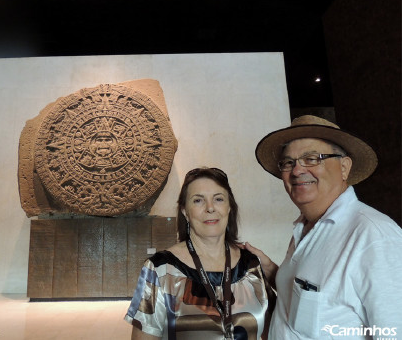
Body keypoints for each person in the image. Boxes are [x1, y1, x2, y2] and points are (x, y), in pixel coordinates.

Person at [248, 115, 402, 339]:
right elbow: (309, 300)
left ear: (344, 167)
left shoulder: (374, 236)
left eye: (312, 158)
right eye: (288, 162)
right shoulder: (305, 228)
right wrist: (272, 271)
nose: (297, 170)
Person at [125, 167, 275, 339]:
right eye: (198, 201)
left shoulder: (251, 265)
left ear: (229, 208)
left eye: (218, 199)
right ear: (185, 212)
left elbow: (275, 329)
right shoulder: (160, 269)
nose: (210, 208)